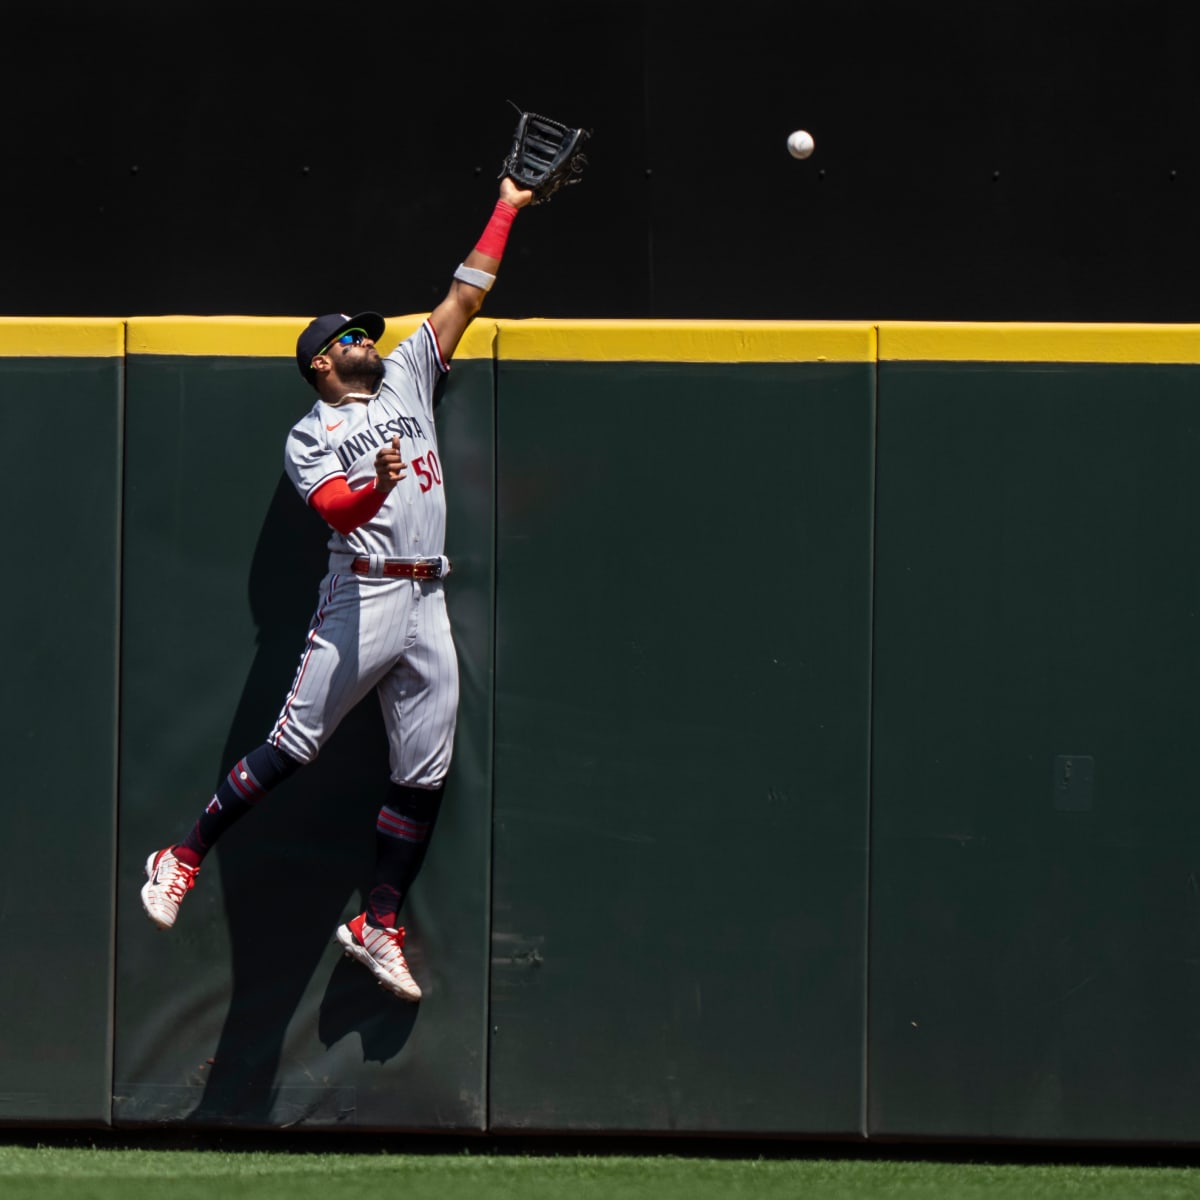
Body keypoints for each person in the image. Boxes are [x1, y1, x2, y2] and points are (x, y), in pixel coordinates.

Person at [140, 175, 536, 1001]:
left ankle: (378, 924)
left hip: (428, 597)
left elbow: (463, 297)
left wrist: (507, 206)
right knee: (293, 746)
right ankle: (180, 855)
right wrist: (382, 485)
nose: (366, 338)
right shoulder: (310, 433)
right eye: (350, 337)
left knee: (424, 772)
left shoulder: (405, 375)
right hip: (361, 596)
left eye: (365, 333)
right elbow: (336, 509)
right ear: (322, 362)